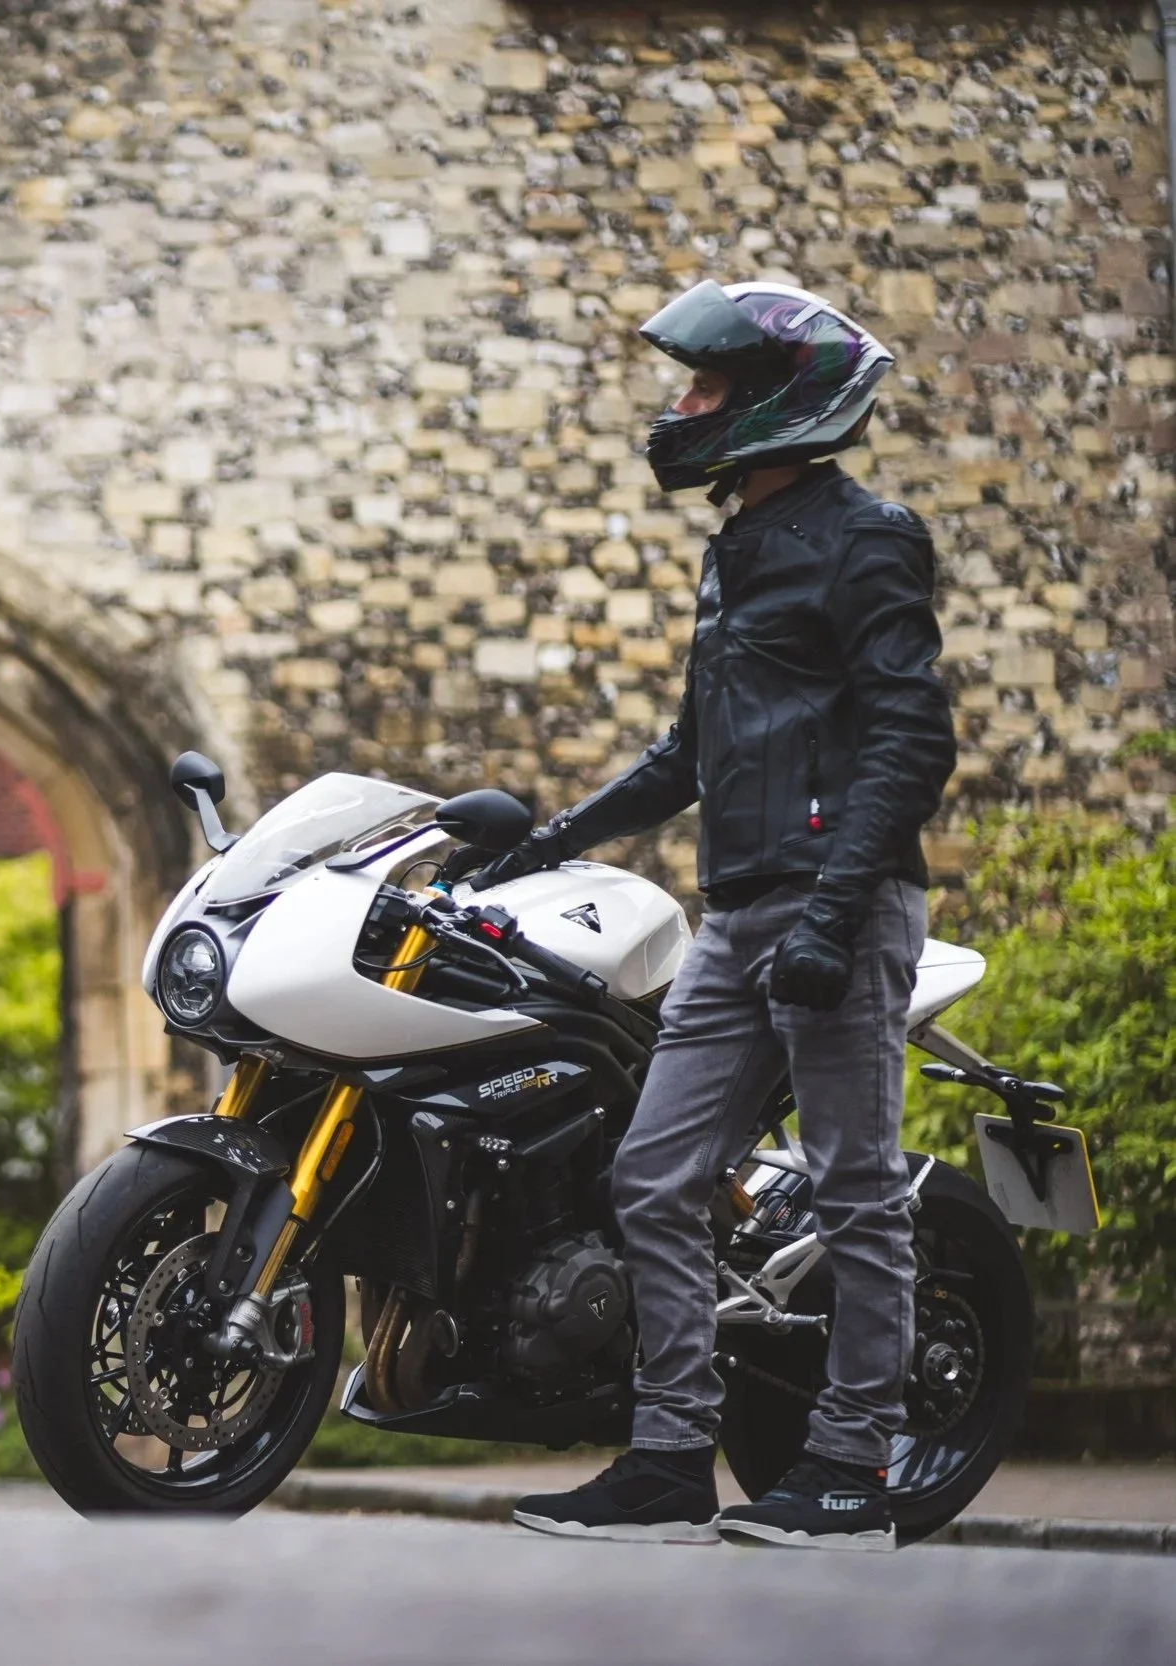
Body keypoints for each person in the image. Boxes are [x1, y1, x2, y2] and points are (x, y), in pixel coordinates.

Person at [486, 281, 955, 1551]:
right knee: (650, 1176)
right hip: (738, 914)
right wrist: (543, 842)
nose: (679, 406)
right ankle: (669, 1459)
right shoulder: (735, 549)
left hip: (840, 907)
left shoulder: (868, 537)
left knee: (854, 1188)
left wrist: (833, 916)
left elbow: (910, 741)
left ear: (774, 402)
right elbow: (685, 757)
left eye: (702, 386)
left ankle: (850, 1469)